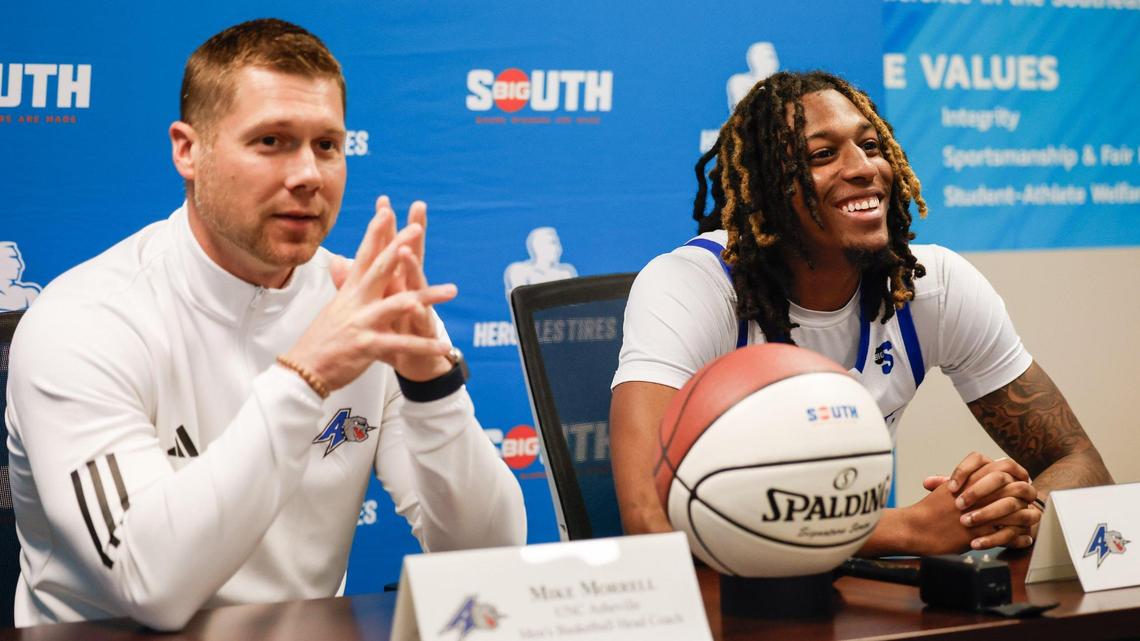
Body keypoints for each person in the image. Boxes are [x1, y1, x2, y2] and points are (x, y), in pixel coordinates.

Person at [5, 19, 525, 630]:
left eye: (327, 145)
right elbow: (151, 587)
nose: (307, 174)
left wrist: (430, 386)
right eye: (271, 141)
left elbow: (489, 557)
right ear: (188, 150)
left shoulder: (367, 305)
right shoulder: (84, 320)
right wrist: (308, 376)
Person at [610, 70, 1111, 557]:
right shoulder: (695, 284)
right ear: (765, 188)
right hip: (727, 601)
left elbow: (1078, 461)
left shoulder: (926, 286)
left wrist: (1012, 515)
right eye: (823, 154)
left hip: (856, 596)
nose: (864, 168)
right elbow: (647, 513)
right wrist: (906, 530)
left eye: (870, 146)